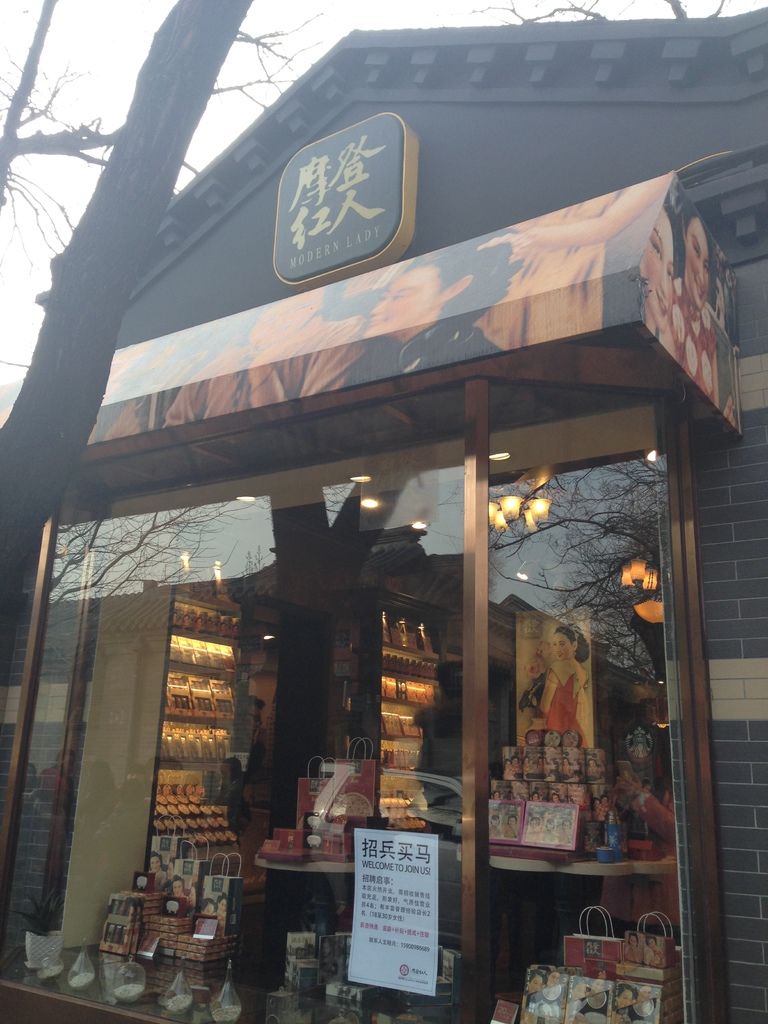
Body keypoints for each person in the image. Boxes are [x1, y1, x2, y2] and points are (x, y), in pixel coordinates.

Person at [540, 625, 590, 744]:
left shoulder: (557, 667)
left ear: (574, 645)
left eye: (562, 644)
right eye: (554, 644)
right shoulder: (583, 671)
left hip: (556, 727)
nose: (557, 649)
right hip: (575, 730)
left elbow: (544, 706)